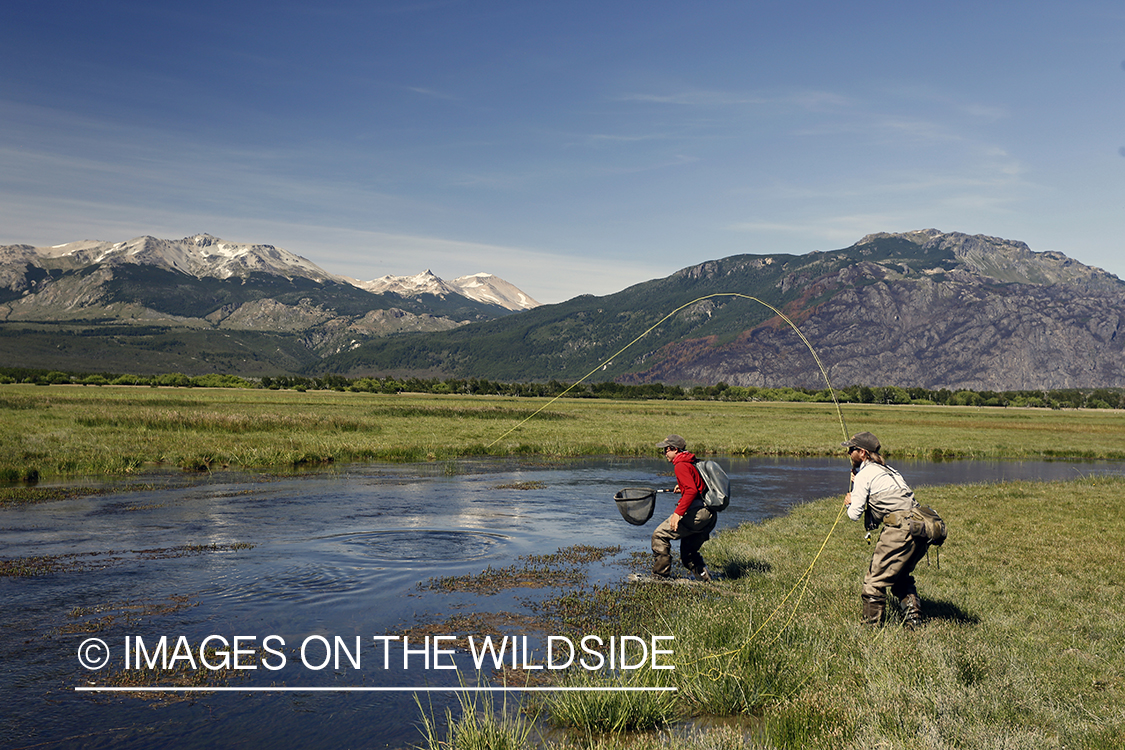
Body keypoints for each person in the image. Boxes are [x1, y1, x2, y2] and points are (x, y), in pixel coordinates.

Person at [843, 431, 927, 629]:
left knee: (874, 581)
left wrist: (850, 502)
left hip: (901, 529)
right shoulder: (889, 470)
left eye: (851, 450)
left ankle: (871, 629)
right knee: (900, 576)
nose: (848, 453)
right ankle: (914, 623)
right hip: (921, 527)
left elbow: (854, 514)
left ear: (862, 453)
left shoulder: (865, 474)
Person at [650, 434, 717, 581]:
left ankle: (660, 577)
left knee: (659, 535)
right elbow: (698, 486)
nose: (664, 453)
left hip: (698, 514)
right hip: (709, 514)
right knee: (688, 552)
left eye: (666, 450)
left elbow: (692, 490)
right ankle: (705, 579)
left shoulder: (680, 465)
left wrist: (677, 513)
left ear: (674, 449)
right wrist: (683, 488)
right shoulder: (691, 461)